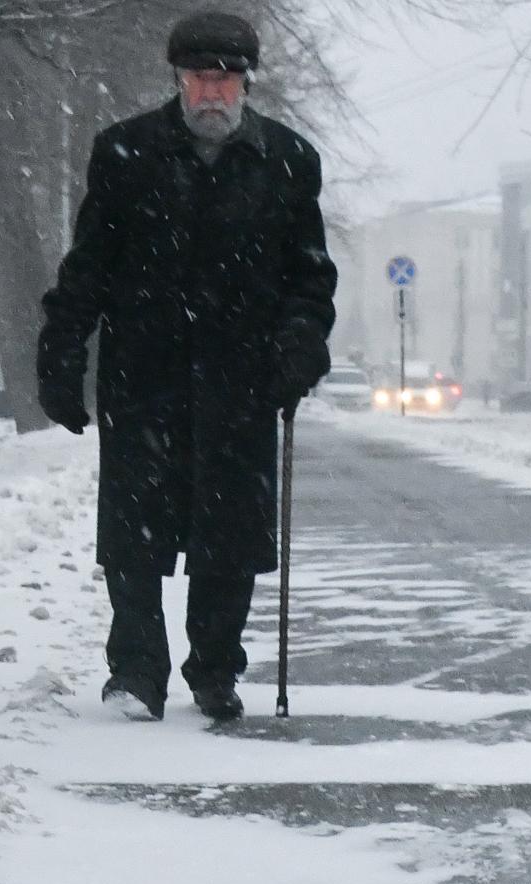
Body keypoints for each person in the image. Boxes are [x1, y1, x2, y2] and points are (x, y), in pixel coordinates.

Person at [35, 11, 337, 723]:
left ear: (245, 83)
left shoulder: (287, 160)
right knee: (134, 537)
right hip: (143, 378)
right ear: (177, 79)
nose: (213, 92)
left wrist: (301, 339)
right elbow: (89, 269)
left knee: (227, 541)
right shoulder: (126, 153)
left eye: (226, 79)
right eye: (201, 77)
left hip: (240, 381)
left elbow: (309, 275)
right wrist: (62, 350)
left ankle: (214, 670)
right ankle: (138, 671)